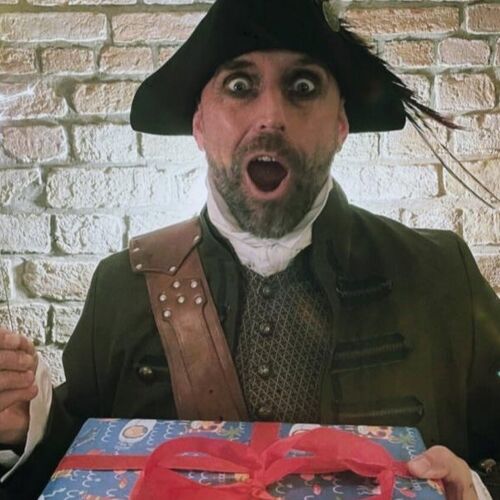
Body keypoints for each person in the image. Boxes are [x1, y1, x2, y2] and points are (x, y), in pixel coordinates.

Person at [0, 0, 499, 498]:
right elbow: (80, 467)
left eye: (303, 87)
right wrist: (26, 426)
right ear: (199, 124)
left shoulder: (441, 275)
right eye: (240, 86)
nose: (270, 117)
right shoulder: (121, 287)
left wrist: (474, 489)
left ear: (340, 124)